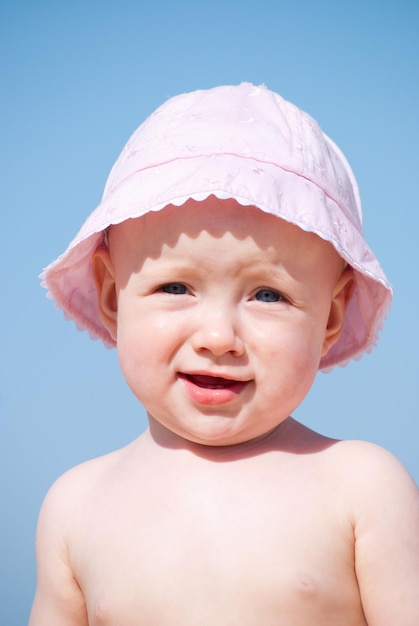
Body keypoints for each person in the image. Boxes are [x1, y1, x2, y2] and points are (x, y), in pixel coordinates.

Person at [29, 83, 419, 625]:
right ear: (112, 297)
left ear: (329, 317)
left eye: (268, 295)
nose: (218, 336)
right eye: (176, 287)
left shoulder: (359, 487)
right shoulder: (75, 507)